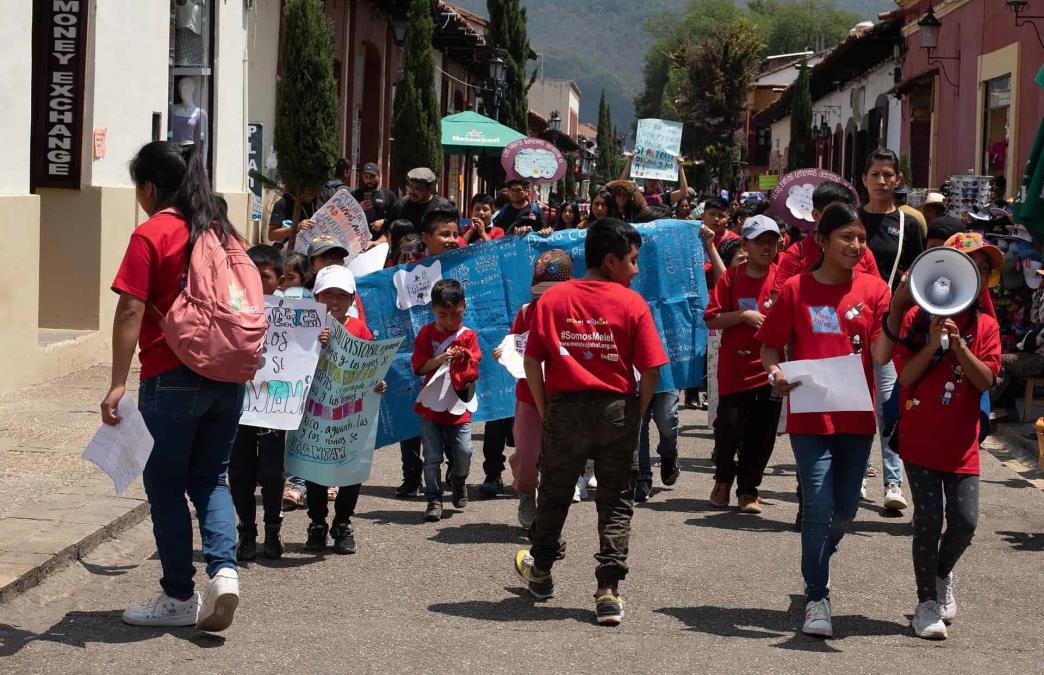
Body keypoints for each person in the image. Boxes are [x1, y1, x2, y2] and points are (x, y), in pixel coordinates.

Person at [105, 141, 245, 630]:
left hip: (171, 376)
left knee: (165, 486)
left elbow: (130, 309)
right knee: (211, 478)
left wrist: (117, 383)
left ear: (148, 187)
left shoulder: (152, 233)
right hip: (227, 377)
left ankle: (180, 597)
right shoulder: (222, 231)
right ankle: (225, 571)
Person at [757, 202, 904, 638]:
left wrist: (898, 309)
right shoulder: (795, 290)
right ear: (822, 242)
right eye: (846, 237)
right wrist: (776, 373)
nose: (856, 245)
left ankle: (820, 553)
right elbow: (770, 347)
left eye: (860, 238)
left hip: (857, 418)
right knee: (818, 505)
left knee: (845, 509)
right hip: (809, 418)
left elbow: (880, 355)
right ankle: (816, 594)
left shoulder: (876, 291)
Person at [513, 218, 669, 626]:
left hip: (564, 409)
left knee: (555, 494)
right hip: (617, 409)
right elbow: (650, 370)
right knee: (615, 501)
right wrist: (636, 411)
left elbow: (532, 360)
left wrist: (548, 410)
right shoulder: (631, 303)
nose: (636, 270)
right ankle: (608, 591)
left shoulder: (552, 299)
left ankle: (542, 570)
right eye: (632, 261)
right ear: (611, 260)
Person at [890, 233, 1002, 640]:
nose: (981, 273)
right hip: (920, 440)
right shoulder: (914, 321)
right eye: (974, 264)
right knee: (928, 520)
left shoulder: (986, 325)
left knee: (965, 523)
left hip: (961, 444)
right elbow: (905, 376)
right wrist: (934, 341)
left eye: (986, 269)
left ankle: (941, 573)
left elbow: (986, 379)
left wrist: (959, 347)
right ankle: (925, 604)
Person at [303, 265, 387, 554]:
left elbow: (371, 365)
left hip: (351, 413)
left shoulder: (359, 329)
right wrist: (318, 347)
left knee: (350, 468)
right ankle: (316, 523)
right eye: (328, 294)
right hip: (315, 413)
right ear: (316, 297)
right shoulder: (307, 327)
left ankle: (343, 523)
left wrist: (377, 384)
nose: (334, 301)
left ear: (352, 300)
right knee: (314, 469)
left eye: (342, 295)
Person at [860, 149, 926, 513]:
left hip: (890, 326)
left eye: (888, 174)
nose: (882, 181)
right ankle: (856, 477)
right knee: (855, 403)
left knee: (889, 405)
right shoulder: (850, 220)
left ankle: (893, 481)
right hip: (851, 324)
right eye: (875, 174)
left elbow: (917, 275)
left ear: (898, 179)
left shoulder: (909, 225)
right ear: (864, 179)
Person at [704, 216, 784, 514]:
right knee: (728, 430)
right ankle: (723, 477)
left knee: (762, 436)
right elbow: (712, 318)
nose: (767, 247)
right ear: (745, 244)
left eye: (772, 241)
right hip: (734, 371)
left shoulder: (782, 280)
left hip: (770, 371)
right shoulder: (731, 278)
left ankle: (748, 490)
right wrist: (743, 316)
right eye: (760, 241)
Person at [494, 249, 575, 527]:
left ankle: (550, 515)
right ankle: (526, 492)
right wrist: (503, 351)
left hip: (564, 398)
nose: (547, 297)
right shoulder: (527, 312)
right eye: (542, 291)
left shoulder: (576, 313)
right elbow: (515, 342)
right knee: (528, 454)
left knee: (558, 458)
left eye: (553, 290)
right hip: (528, 395)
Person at [230, 245, 287, 561]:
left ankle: (272, 530)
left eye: (263, 276)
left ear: (279, 280)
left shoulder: (292, 312)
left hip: (274, 410)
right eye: (249, 273)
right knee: (239, 473)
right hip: (237, 407)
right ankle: (247, 532)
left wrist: (317, 339)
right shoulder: (232, 307)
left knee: (272, 473)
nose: (254, 281)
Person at [412, 279, 482, 522]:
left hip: (458, 404)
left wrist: (465, 356)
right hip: (431, 405)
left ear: (465, 306)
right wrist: (441, 358)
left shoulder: (468, 335)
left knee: (464, 450)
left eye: (456, 314)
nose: (450, 321)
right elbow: (420, 367)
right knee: (431, 456)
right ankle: (433, 498)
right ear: (433, 309)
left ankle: (459, 480)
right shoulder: (426, 334)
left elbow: (476, 363)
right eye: (443, 315)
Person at [771, 181, 880, 298]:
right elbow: (779, 300)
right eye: (834, 214)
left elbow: (877, 294)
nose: (841, 220)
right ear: (816, 215)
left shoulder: (862, 252)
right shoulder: (797, 253)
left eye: (846, 214)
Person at [385, 167, 452, 233]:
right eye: (410, 185)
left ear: (429, 189)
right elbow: (387, 232)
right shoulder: (400, 206)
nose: (411, 191)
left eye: (417, 188)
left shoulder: (443, 207)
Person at [620, 154, 689, 206]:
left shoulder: (665, 197)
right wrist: (629, 163)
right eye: (649, 179)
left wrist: (681, 168)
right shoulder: (639, 196)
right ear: (645, 181)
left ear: (659, 183)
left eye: (655, 180)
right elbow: (620, 185)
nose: (652, 182)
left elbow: (683, 192)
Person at [352, 161, 397, 236]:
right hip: (359, 239)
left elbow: (396, 218)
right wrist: (358, 209)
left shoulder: (389, 196)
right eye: (366, 177)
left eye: (372, 177)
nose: (369, 180)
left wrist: (384, 222)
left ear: (379, 176)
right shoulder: (355, 194)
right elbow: (345, 218)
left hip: (380, 242)